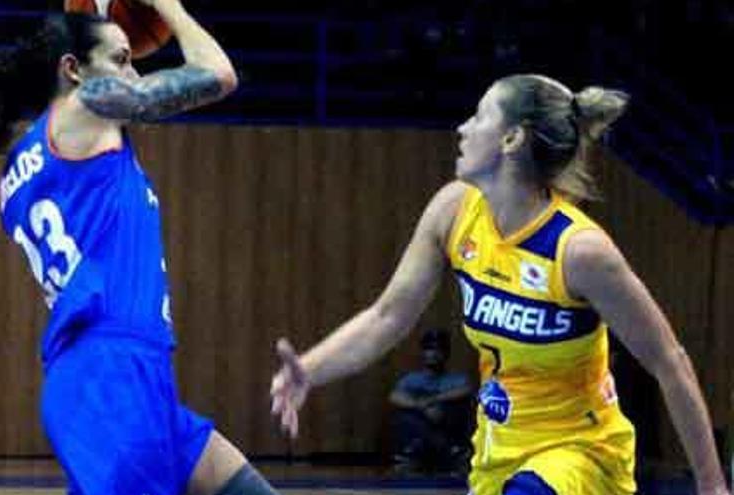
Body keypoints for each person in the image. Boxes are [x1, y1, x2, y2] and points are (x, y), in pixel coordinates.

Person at [270, 74, 731, 495]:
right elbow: (386, 317)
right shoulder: (454, 213)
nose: (462, 128)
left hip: (581, 454)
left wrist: (712, 487)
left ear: (512, 139)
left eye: (479, 116)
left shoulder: (579, 251)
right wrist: (309, 369)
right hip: (498, 452)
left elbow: (671, 361)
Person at [0, 3, 280, 495]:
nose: (133, 73)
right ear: (73, 70)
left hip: (120, 376)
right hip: (112, 375)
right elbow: (218, 74)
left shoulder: (25, 165)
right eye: (121, 60)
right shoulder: (88, 105)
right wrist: (170, 6)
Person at [389, 329, 473, 473]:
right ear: (423, 353)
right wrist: (422, 407)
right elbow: (395, 397)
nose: (433, 354)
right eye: (429, 349)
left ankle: (452, 452)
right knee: (406, 415)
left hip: (447, 428)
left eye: (438, 349)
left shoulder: (457, 379)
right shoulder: (412, 379)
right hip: (422, 439)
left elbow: (466, 390)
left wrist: (433, 400)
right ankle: (445, 453)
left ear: (446, 353)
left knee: (456, 407)